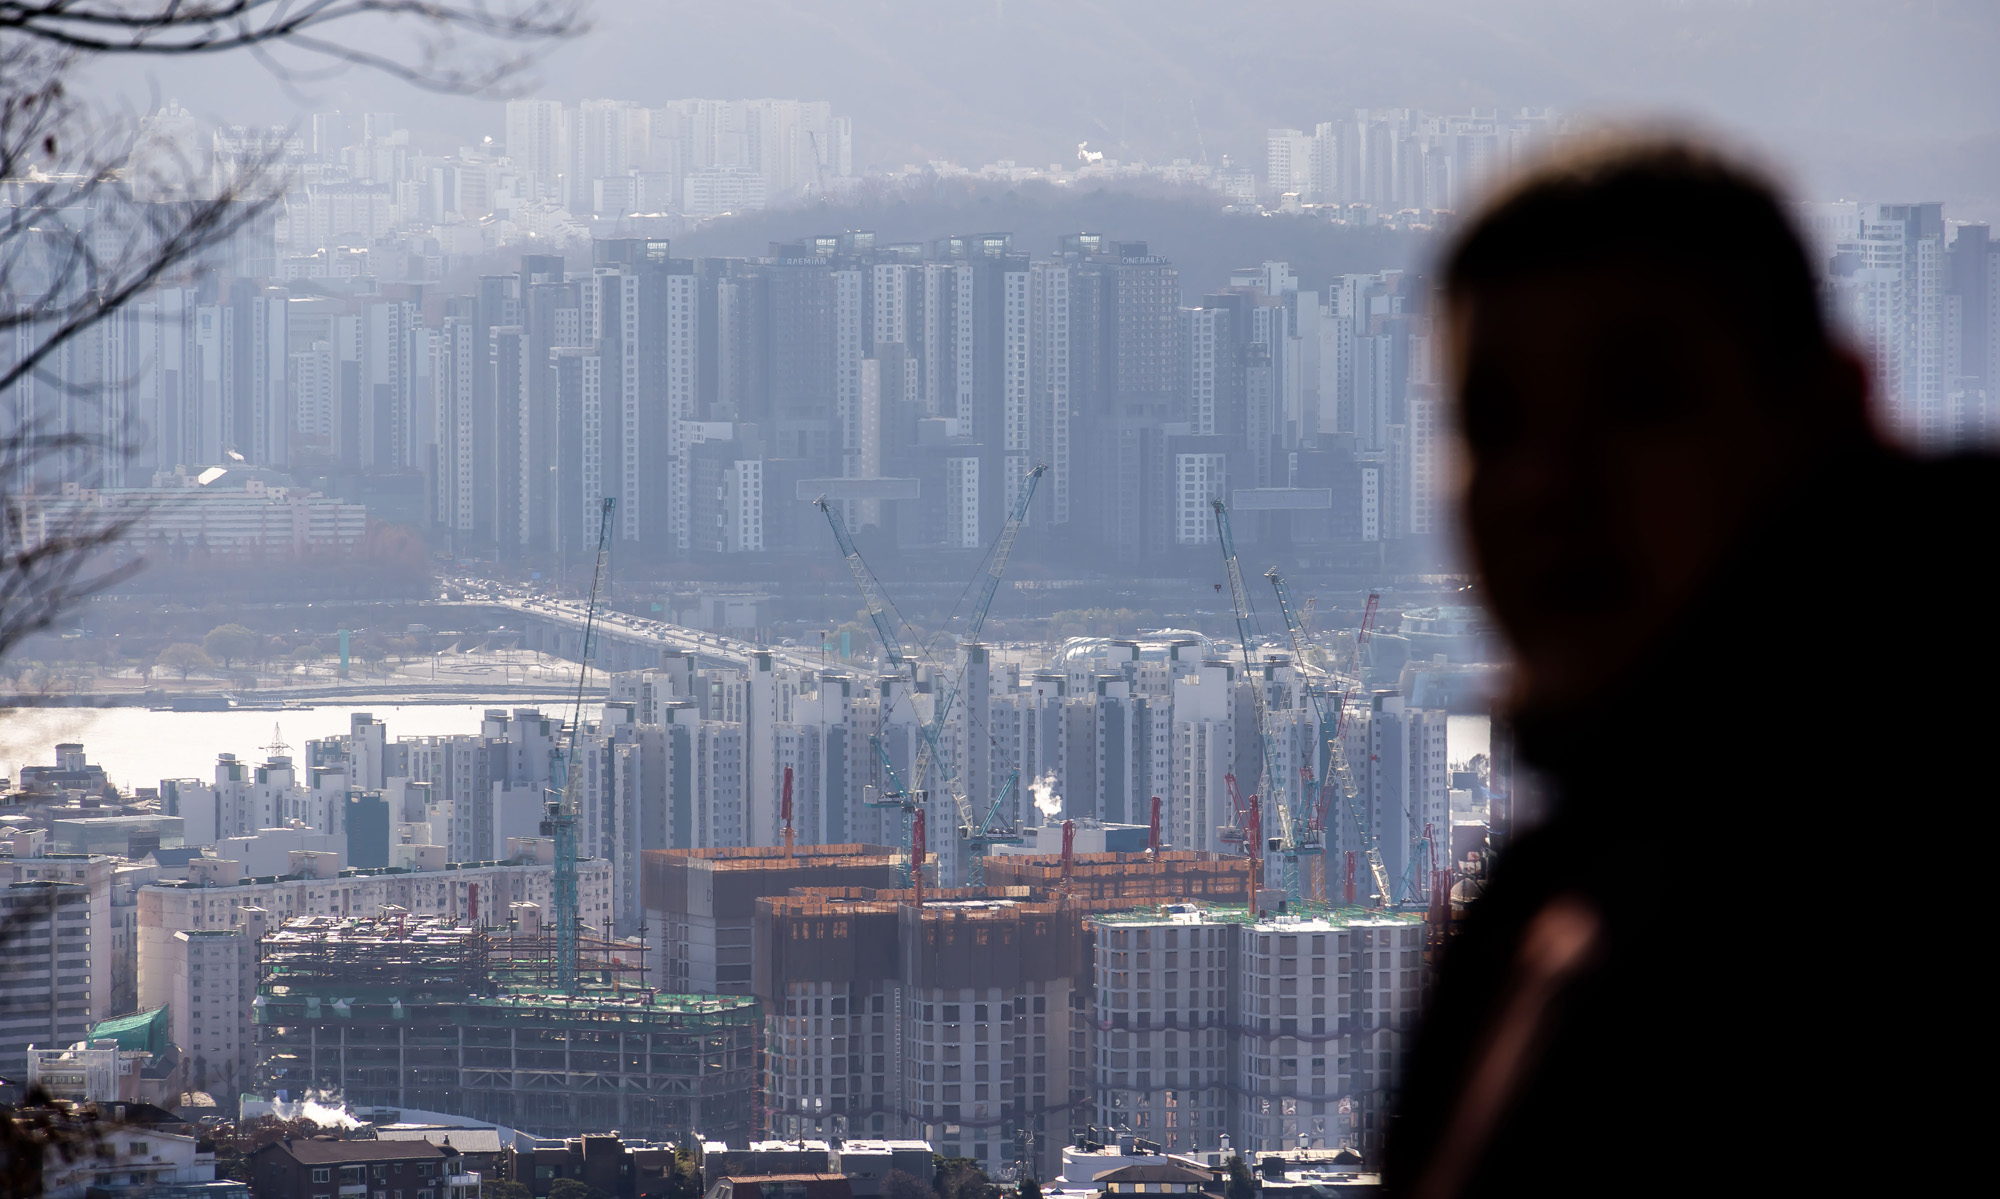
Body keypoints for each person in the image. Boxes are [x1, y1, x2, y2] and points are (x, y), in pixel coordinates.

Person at [1383, 139, 1995, 1198]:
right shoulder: (1559, 889)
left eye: (1638, 397)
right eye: (1494, 421)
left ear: (1831, 411)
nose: (1546, 482)